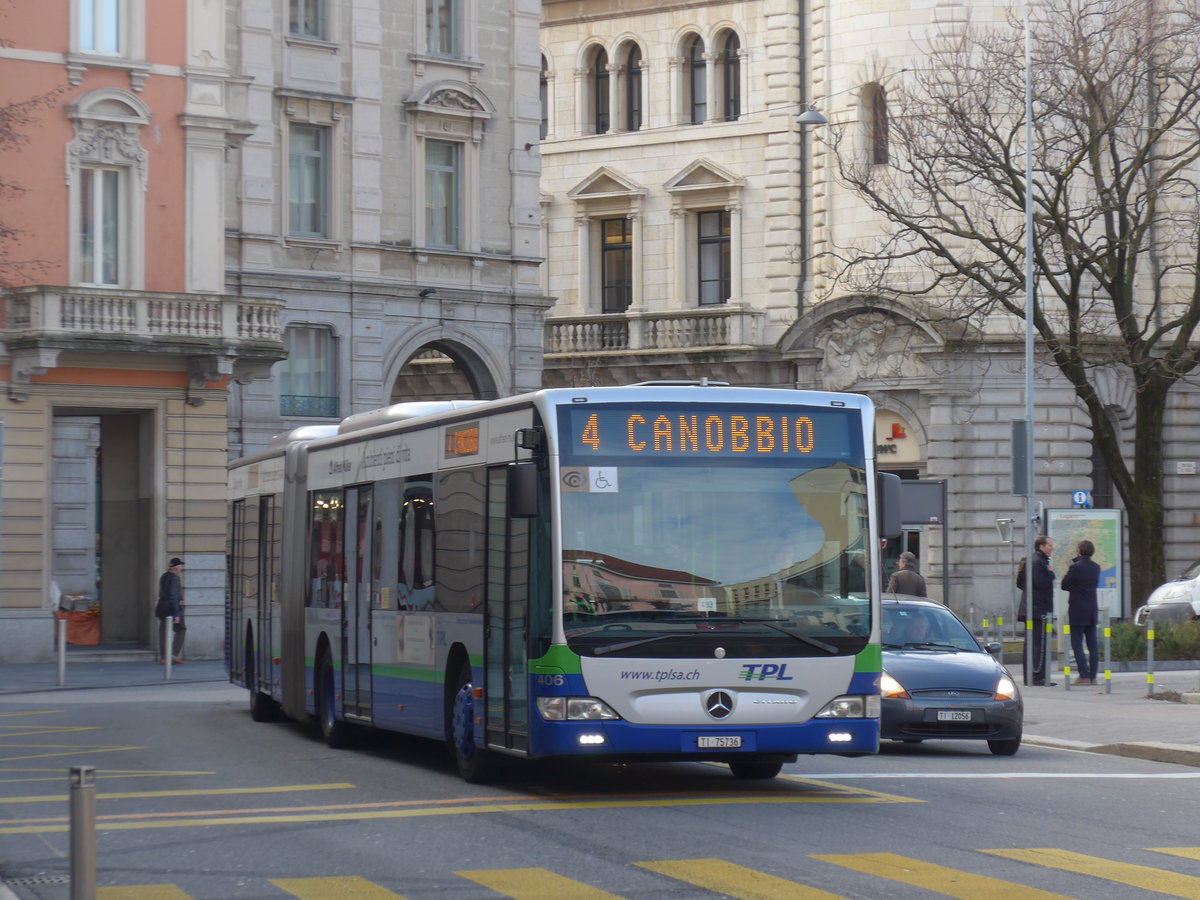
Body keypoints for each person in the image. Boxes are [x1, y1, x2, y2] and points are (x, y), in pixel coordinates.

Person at [1061, 539, 1101, 685]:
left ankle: (1083, 675)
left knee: (1077, 643)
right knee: (1092, 645)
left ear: (1079, 551)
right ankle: (1093, 676)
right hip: (1091, 609)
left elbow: (1064, 585)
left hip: (1077, 610)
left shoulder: (1075, 567)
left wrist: (1071, 566)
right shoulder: (1096, 567)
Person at [1022, 535, 1057, 686]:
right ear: (1041, 546)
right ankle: (1036, 676)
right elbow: (1040, 582)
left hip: (1035, 608)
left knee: (1035, 643)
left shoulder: (1037, 560)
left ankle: (1035, 676)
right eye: (1050, 545)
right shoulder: (1038, 562)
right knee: (1038, 644)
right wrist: (1051, 573)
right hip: (1038, 610)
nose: (1052, 548)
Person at [156, 557, 186, 664]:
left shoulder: (164, 576)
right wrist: (176, 614)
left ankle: (164, 657)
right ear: (175, 567)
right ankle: (173, 654)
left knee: (163, 632)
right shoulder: (174, 578)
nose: (182, 567)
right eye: (180, 565)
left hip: (162, 609)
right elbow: (173, 596)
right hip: (171, 609)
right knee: (181, 630)